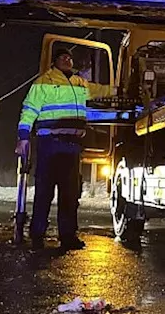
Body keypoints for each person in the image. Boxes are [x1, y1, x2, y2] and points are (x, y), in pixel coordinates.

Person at [16, 48, 112, 250]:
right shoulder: (44, 82)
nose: (67, 60)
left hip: (72, 146)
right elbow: (29, 109)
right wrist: (23, 137)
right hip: (50, 143)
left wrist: (120, 89)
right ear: (54, 62)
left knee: (69, 194)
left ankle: (68, 236)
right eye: (63, 57)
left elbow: (101, 90)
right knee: (44, 192)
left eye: (69, 57)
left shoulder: (79, 82)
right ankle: (37, 235)